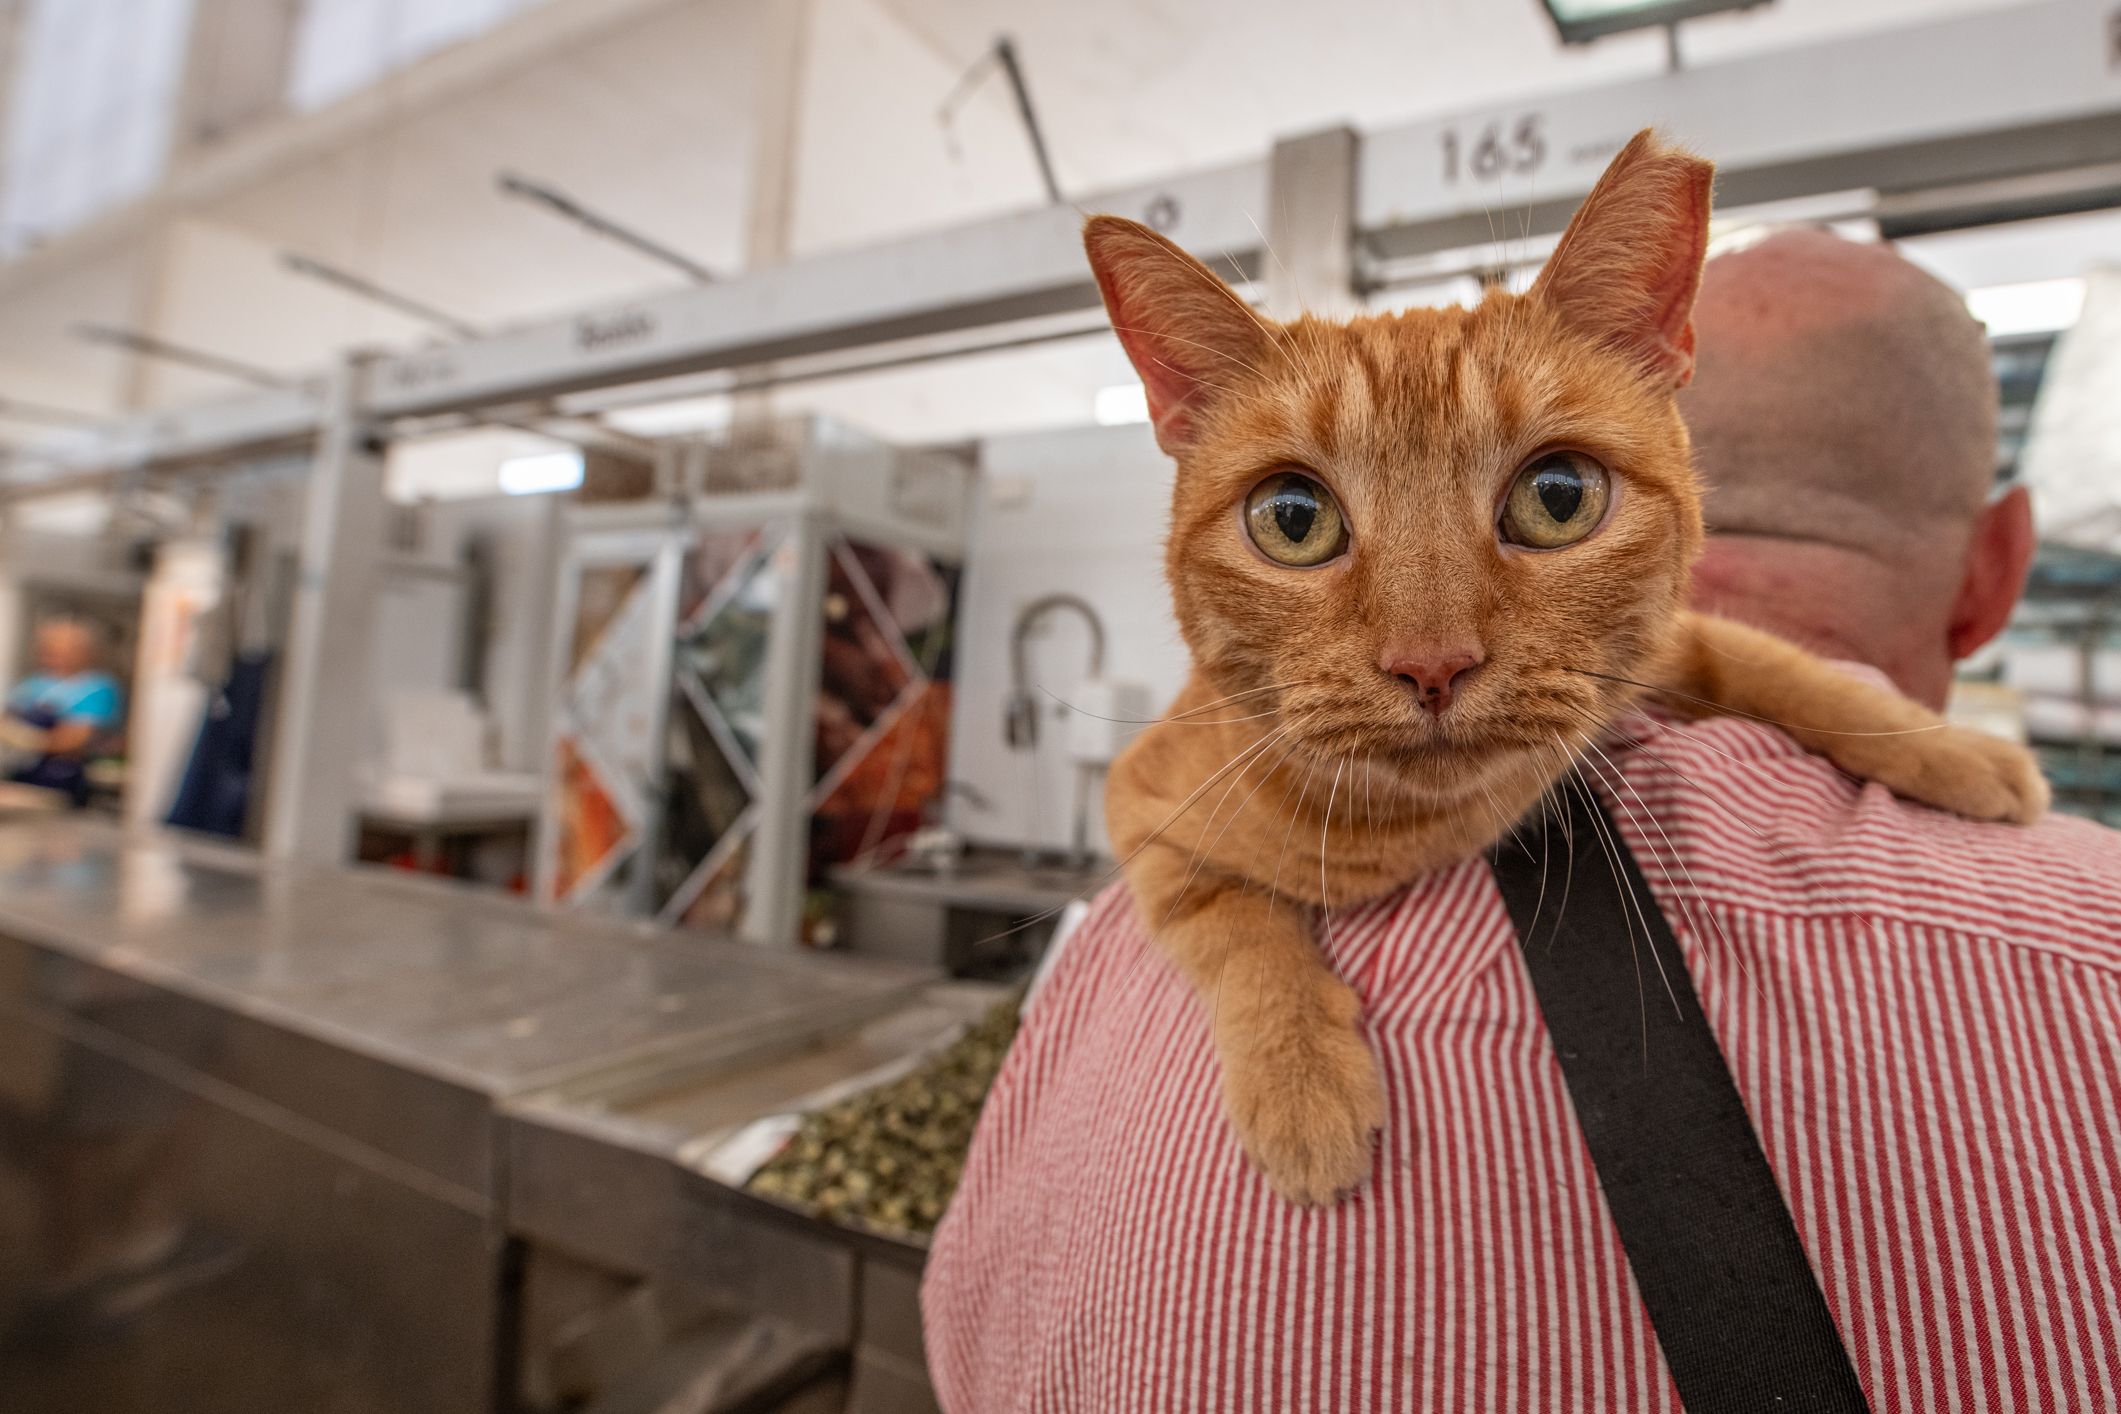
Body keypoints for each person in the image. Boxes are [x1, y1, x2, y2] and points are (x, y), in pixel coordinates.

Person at [920, 229, 2121, 1411]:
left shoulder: (1093, 980)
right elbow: (1156, 805)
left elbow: (960, 1342)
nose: (1431, 650)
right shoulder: (2091, 958)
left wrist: (1844, 719)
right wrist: (1254, 970)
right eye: (1299, 520)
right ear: (1997, 571)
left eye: (1552, 498)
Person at [4, 617, 124, 806]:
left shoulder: (97, 688)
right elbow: (8, 717)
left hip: (62, 777)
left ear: (85, 652)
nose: (52, 656)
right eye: (48, 650)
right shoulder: (34, 683)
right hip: (21, 772)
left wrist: (26, 739)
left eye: (62, 650)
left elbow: (75, 739)